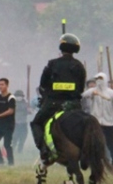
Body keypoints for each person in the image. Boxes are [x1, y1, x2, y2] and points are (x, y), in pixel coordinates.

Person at [31, 33, 86, 161]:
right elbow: (81, 88)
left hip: (53, 103)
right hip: (74, 104)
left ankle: (44, 150)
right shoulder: (79, 66)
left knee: (36, 123)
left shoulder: (52, 64)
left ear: (61, 47)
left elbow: (43, 85)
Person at [82, 73, 113, 161]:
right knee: (96, 143)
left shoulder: (110, 93)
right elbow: (83, 95)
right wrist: (92, 92)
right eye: (97, 79)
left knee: (111, 144)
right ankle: (99, 160)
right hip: (96, 123)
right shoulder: (92, 91)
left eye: (101, 79)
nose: (99, 81)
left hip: (109, 123)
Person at [12, 89, 30, 156]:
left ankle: (20, 150)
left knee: (22, 138)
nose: (19, 97)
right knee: (15, 138)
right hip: (15, 124)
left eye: (20, 96)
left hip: (23, 123)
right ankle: (12, 150)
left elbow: (28, 112)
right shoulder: (13, 103)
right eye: (17, 96)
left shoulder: (25, 103)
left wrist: (29, 110)